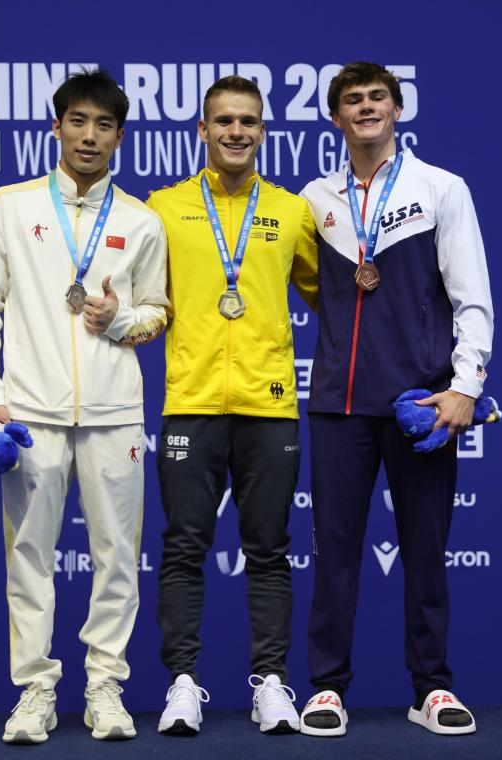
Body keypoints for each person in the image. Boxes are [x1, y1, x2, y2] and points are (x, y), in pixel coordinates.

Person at [0, 68, 169, 744]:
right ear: (56, 127)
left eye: (103, 125)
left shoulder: (141, 219)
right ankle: (35, 692)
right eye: (77, 121)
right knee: (28, 555)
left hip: (115, 413)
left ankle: (105, 687)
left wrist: (118, 320)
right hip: (29, 414)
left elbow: (157, 311)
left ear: (119, 136)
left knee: (117, 559)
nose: (89, 135)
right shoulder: (10, 206)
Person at [298, 61, 493, 737]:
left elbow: (471, 297)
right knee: (334, 555)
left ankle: (432, 689)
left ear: (398, 108)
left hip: (421, 404)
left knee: (426, 552)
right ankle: (326, 689)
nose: (365, 108)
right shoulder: (314, 199)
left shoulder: (441, 188)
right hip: (338, 404)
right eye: (351, 100)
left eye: (376, 97)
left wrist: (463, 387)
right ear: (336, 118)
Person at [145, 75, 318, 736]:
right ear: (203, 130)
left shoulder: (292, 212)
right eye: (223, 121)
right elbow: (139, 298)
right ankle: (182, 684)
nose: (236, 132)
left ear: (263, 131)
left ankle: (271, 683)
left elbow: (333, 299)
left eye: (248, 121)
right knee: (183, 548)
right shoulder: (163, 208)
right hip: (190, 403)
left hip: (269, 406)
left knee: (268, 549)